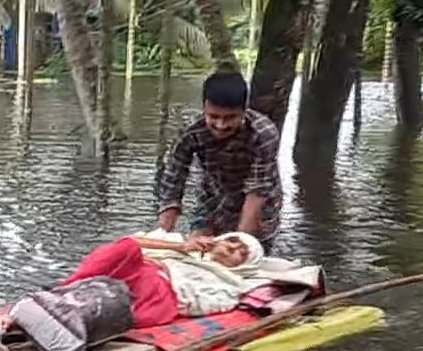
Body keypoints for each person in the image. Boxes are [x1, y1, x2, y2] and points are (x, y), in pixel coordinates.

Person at [155, 68, 282, 250]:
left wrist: (239, 244)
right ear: (204, 108)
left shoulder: (263, 134)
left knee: (242, 257)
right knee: (195, 251)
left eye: (230, 117)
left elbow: (257, 192)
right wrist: (163, 236)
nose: (221, 125)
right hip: (213, 199)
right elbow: (174, 179)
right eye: (213, 117)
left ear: (243, 111)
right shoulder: (191, 131)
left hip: (259, 206)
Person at [60, 231, 265, 327]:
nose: (231, 247)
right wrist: (178, 248)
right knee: (125, 249)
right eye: (232, 240)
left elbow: (197, 303)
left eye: (241, 252)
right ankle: (64, 290)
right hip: (135, 272)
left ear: (244, 266)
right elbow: (129, 243)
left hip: (158, 291)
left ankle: (74, 305)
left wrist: (165, 272)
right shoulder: (176, 241)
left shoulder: (229, 283)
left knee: (137, 302)